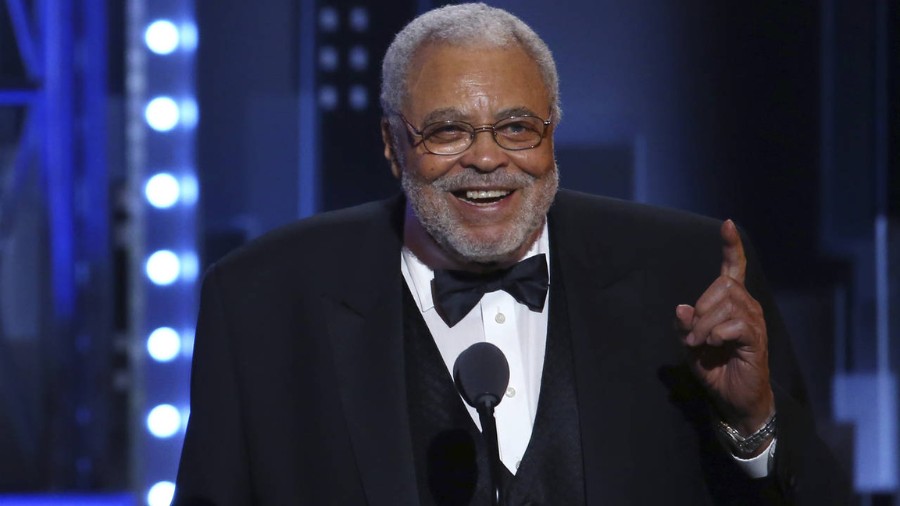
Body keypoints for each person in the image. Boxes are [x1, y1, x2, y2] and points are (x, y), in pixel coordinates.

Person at [174, 3, 849, 505]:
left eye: (518, 127)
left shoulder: (691, 270)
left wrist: (752, 423)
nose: (488, 157)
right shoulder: (261, 299)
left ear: (553, 132)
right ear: (390, 144)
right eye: (447, 130)